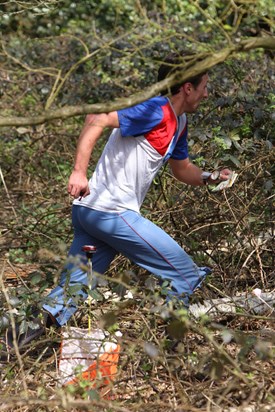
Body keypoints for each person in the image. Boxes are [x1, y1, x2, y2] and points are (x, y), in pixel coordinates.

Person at [1, 52, 232, 355]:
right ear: (187, 88)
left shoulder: (179, 122)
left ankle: (12, 349)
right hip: (111, 212)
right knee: (183, 274)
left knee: (72, 291)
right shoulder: (156, 109)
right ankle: (170, 356)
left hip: (91, 213)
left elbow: (181, 169)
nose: (206, 92)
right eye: (203, 85)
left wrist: (211, 176)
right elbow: (96, 118)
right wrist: (78, 172)